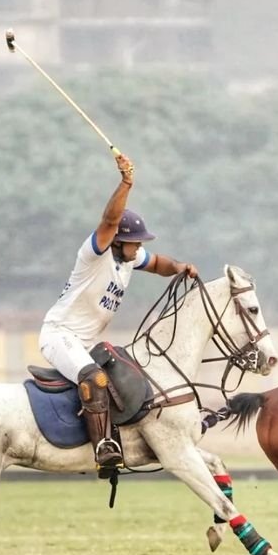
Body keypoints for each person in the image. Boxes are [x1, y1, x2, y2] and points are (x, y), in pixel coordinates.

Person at [39, 152, 198, 474]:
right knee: (95, 377)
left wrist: (179, 267)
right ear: (118, 241)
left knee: (123, 378)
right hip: (59, 335)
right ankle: (103, 450)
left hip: (83, 343)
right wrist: (126, 182)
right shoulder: (94, 255)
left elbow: (158, 264)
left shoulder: (129, 260)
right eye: (135, 242)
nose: (139, 248)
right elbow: (110, 221)